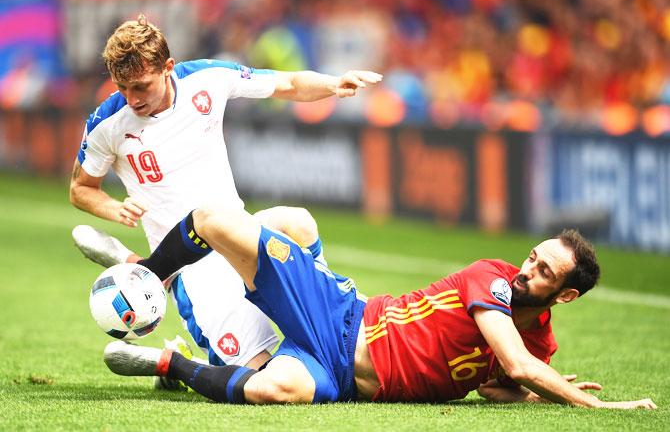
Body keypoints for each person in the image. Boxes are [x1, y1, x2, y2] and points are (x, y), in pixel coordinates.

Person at [88, 204, 656, 408]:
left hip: (343, 379)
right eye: (532, 257)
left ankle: (166, 364)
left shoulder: (540, 343)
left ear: (567, 295)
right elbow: (513, 362)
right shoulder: (494, 280)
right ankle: (147, 274)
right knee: (216, 219)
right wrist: (590, 404)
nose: (526, 268)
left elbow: (493, 380)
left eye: (544, 271)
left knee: (268, 390)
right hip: (341, 320)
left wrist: (530, 391)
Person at [69, 14, 383, 373]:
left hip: (241, 232)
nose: (131, 99)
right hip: (190, 268)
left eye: (140, 86)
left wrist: (334, 83)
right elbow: (81, 189)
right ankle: (175, 363)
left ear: (168, 67)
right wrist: (115, 208)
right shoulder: (106, 124)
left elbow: (290, 83)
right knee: (262, 377)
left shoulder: (207, 78)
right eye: (121, 88)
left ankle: (329, 304)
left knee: (297, 221)